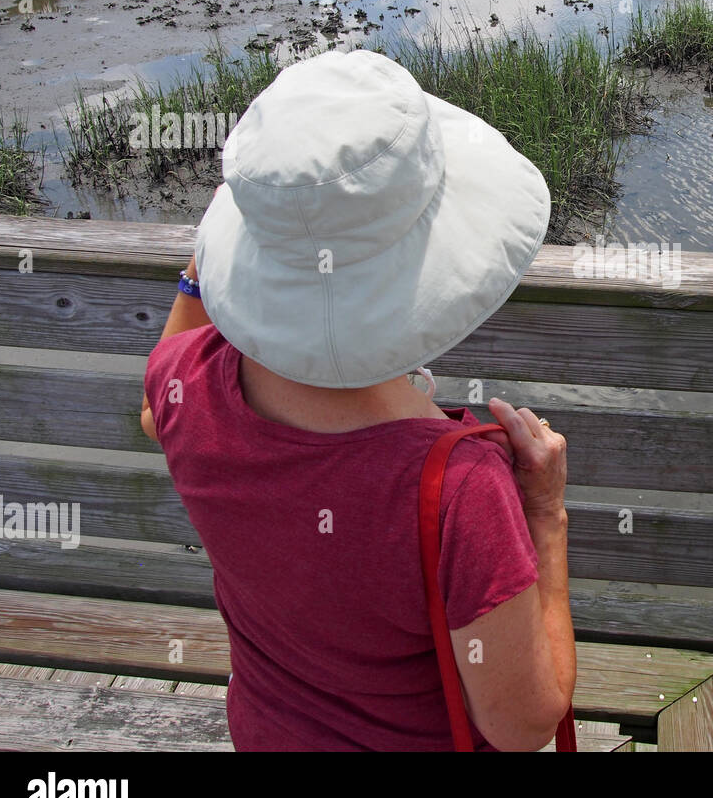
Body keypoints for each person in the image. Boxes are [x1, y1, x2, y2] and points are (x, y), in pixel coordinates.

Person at [139, 48, 576, 751]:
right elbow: (523, 725)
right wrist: (546, 513)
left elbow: (155, 412)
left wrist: (203, 276)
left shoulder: (184, 382)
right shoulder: (460, 490)